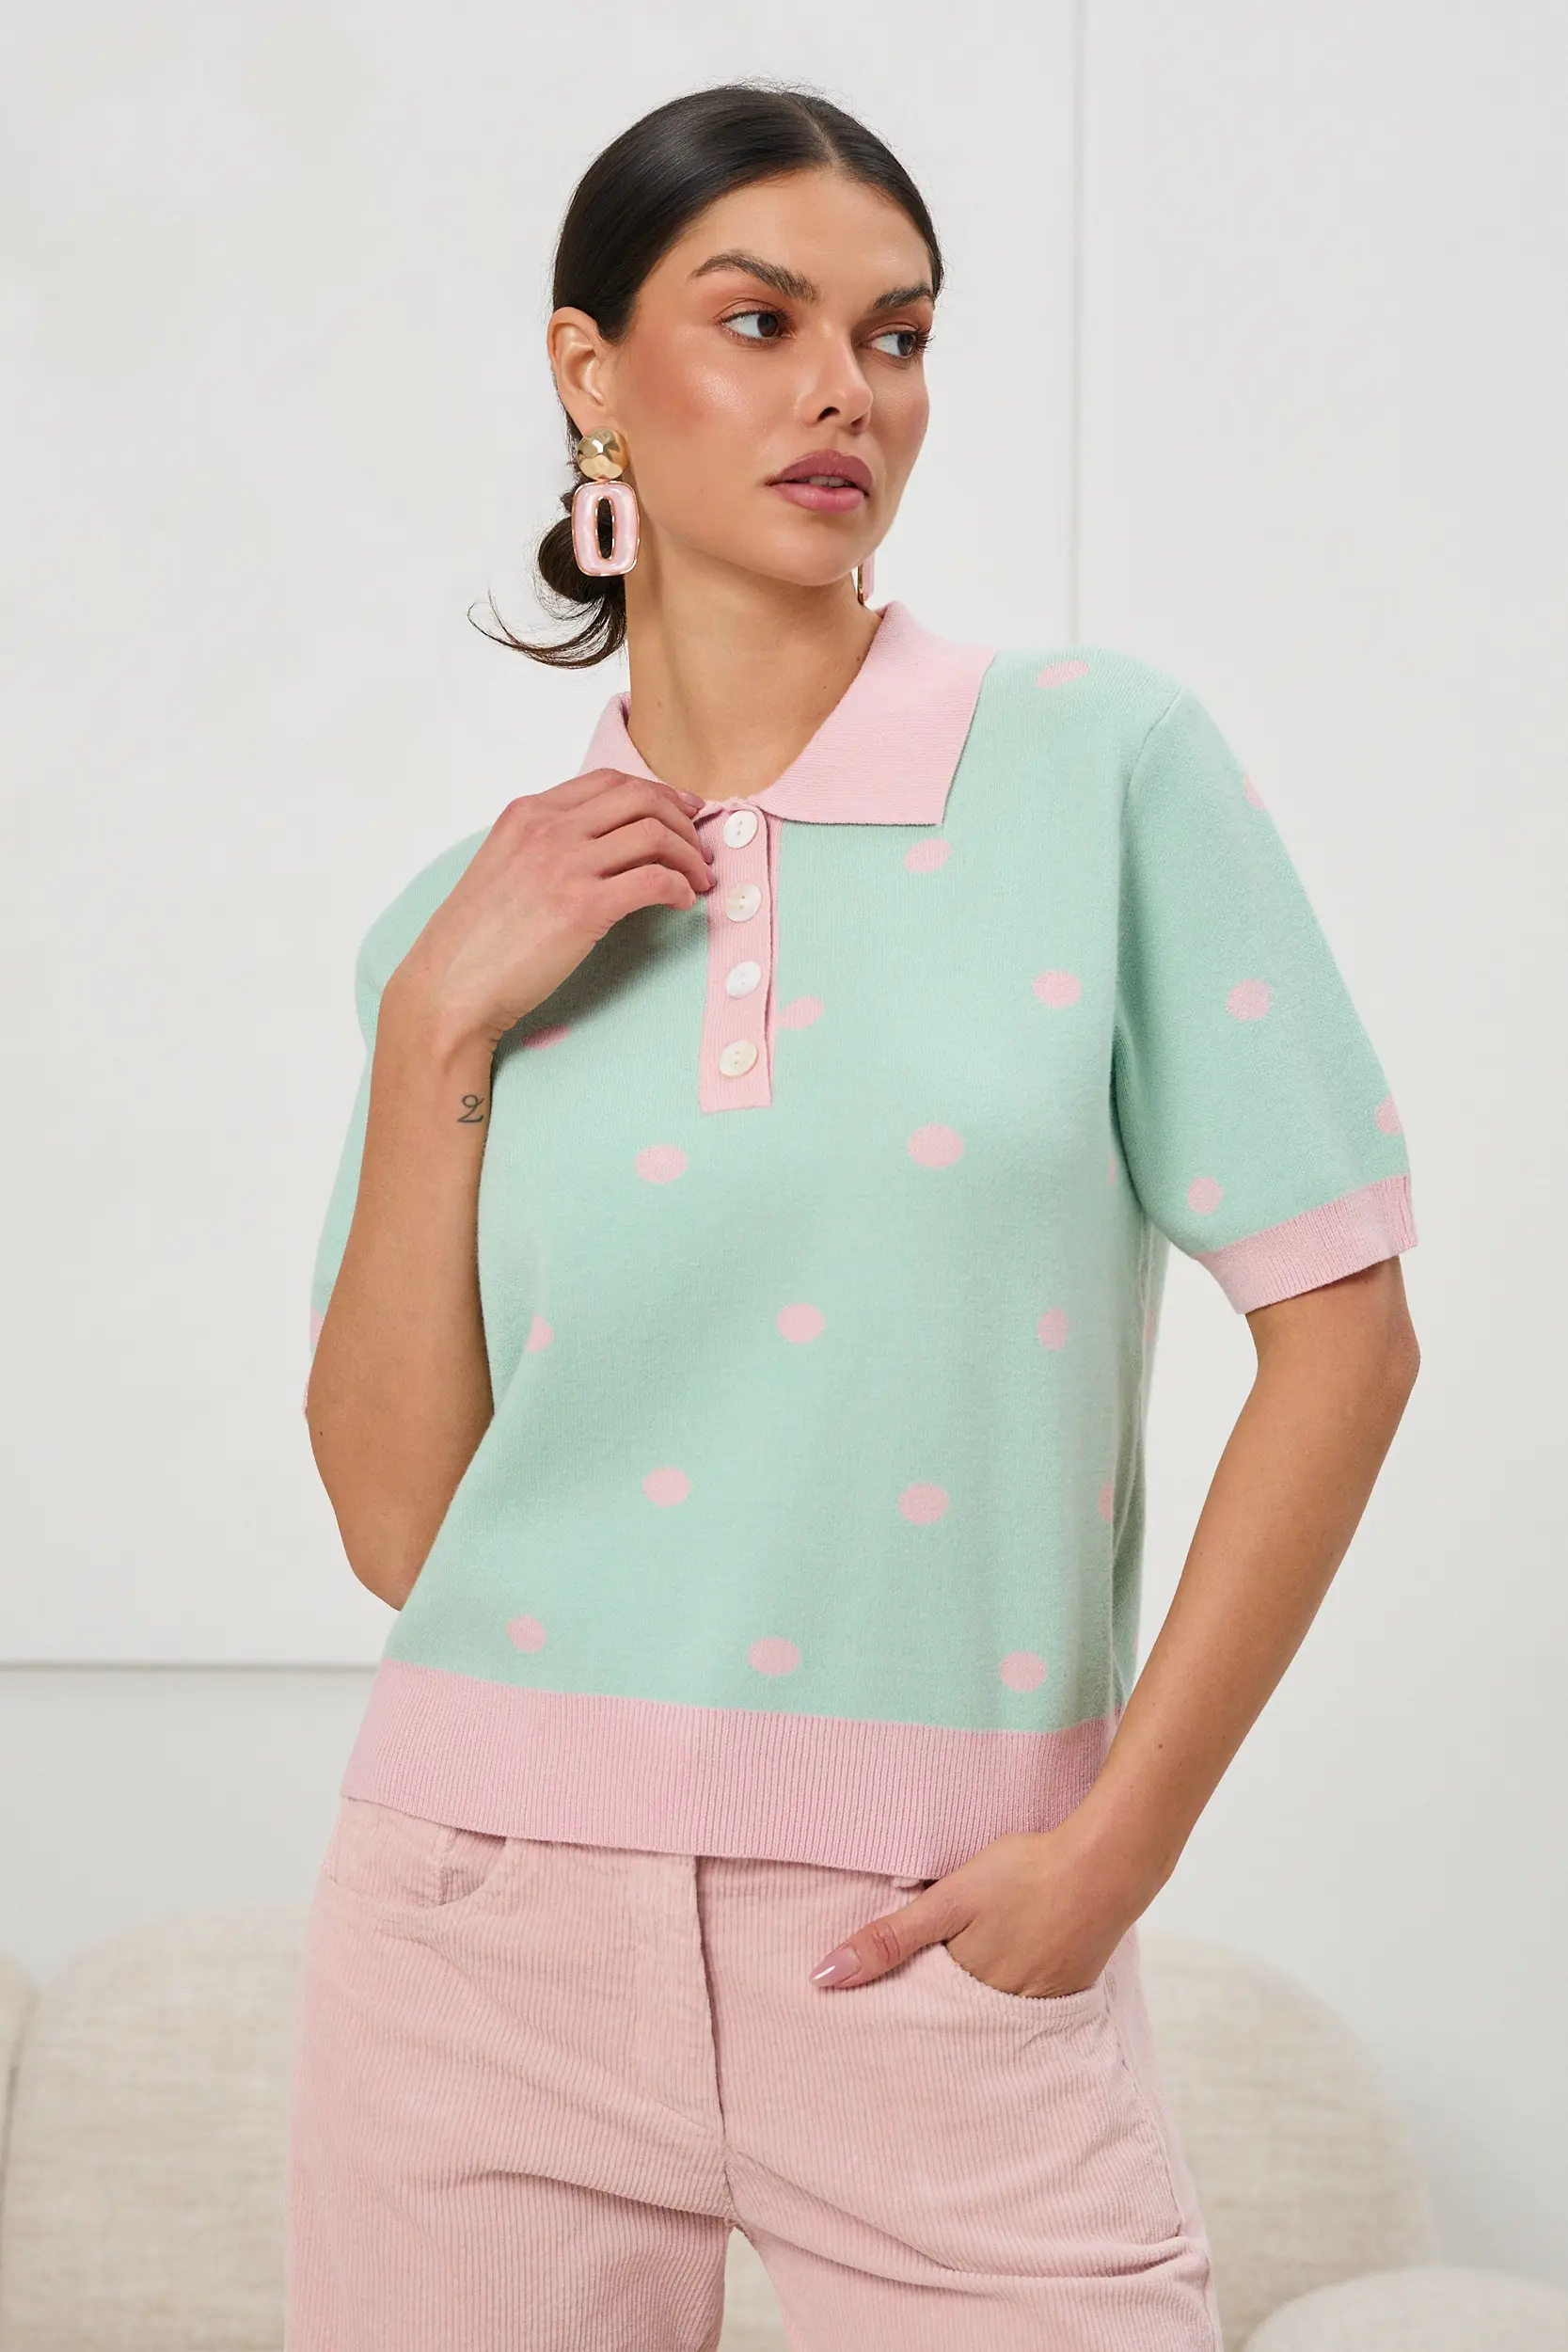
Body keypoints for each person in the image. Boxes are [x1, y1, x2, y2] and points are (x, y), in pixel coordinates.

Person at [284, 79, 1419, 2352]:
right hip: (472, 1939)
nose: (844, 390)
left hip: (937, 1941)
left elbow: (1345, 1332)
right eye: (761, 320)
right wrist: (433, 1033)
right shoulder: (461, 920)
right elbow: (405, 1525)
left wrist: (1114, 1846)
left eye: (893, 336)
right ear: (590, 372)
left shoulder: (1098, 765)